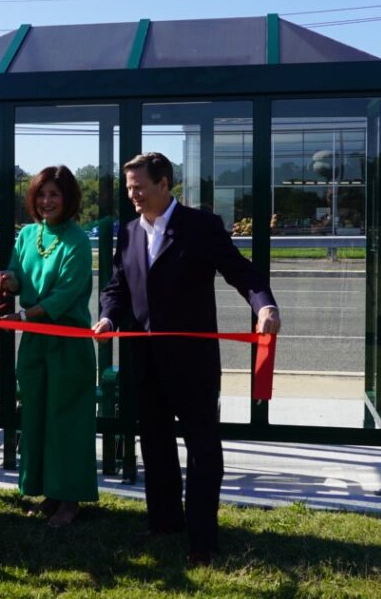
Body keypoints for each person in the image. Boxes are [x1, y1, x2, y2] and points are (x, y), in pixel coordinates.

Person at [94, 152, 280, 565]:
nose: (133, 196)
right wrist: (107, 317)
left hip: (192, 364)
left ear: (164, 184)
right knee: (155, 444)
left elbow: (240, 271)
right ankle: (163, 522)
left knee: (202, 450)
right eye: (129, 189)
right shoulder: (127, 233)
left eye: (139, 187)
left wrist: (264, 306)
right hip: (144, 360)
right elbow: (117, 287)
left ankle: (202, 540)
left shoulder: (201, 226)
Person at [0, 166, 98, 527]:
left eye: (54, 194)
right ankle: (49, 493)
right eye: (41, 194)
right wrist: (8, 281)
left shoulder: (78, 240)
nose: (47, 201)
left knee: (66, 421)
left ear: (68, 199)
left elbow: (65, 295)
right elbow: (18, 274)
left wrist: (24, 317)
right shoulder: (27, 235)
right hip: (35, 344)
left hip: (68, 344)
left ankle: (70, 500)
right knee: (37, 416)